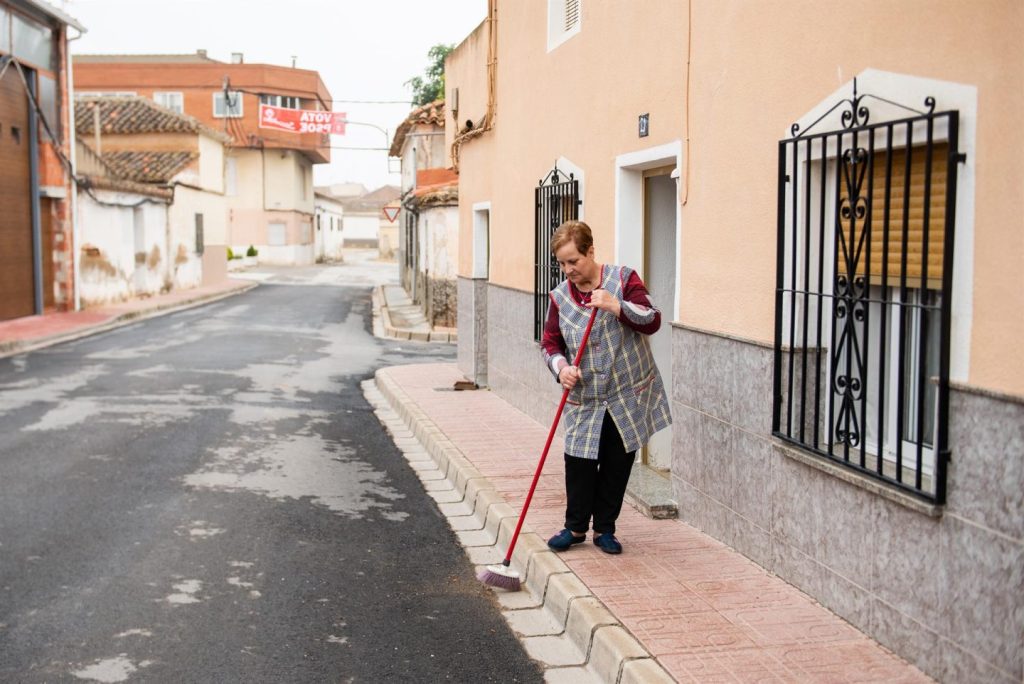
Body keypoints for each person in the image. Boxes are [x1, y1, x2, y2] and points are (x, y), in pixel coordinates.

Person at [540, 220, 672, 555]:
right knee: (579, 462)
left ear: (591, 252)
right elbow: (549, 344)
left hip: (627, 393)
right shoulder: (559, 298)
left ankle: (605, 530)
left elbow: (652, 320)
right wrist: (562, 369)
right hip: (586, 397)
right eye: (562, 263)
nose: (568, 269)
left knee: (617, 461)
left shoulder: (624, 280)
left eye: (574, 261)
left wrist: (615, 305)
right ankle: (574, 528)